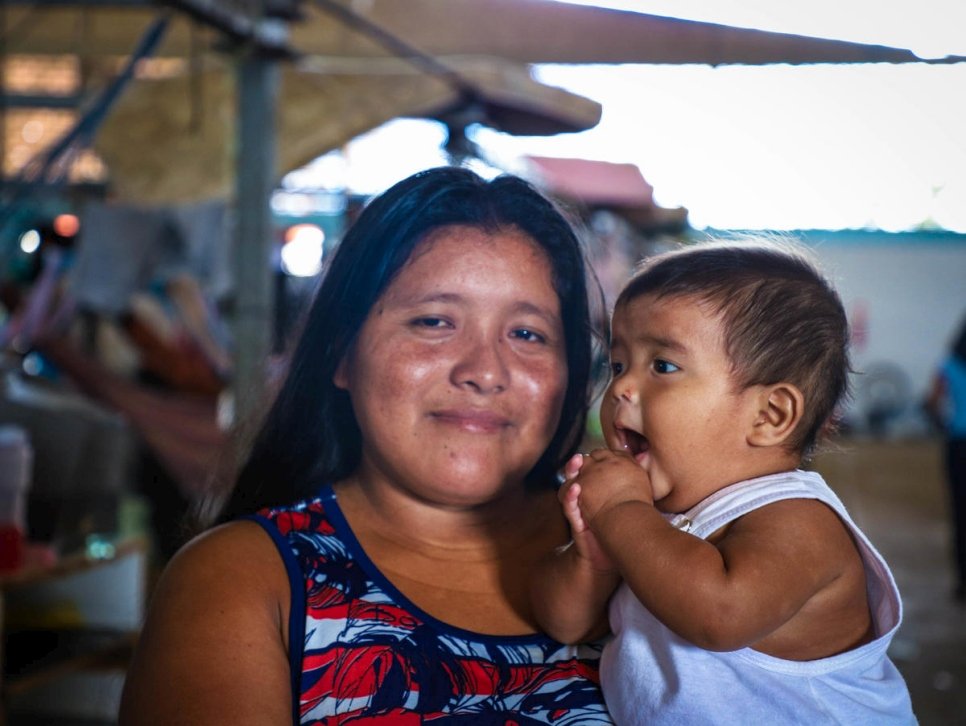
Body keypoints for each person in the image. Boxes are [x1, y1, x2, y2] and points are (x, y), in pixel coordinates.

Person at [117, 166, 614, 724]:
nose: (485, 371)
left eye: (527, 334)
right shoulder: (241, 583)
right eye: (434, 321)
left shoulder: (639, 557)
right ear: (340, 352)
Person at [531, 240, 916, 724]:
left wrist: (620, 514)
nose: (622, 388)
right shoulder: (651, 516)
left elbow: (720, 616)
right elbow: (565, 622)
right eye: (618, 365)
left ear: (770, 415)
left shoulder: (799, 522)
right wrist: (593, 557)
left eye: (663, 366)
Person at [925, 314, 966, 601]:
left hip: (958, 446)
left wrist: (944, 425)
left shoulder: (949, 365)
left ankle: (963, 582)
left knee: (960, 513)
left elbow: (932, 403)